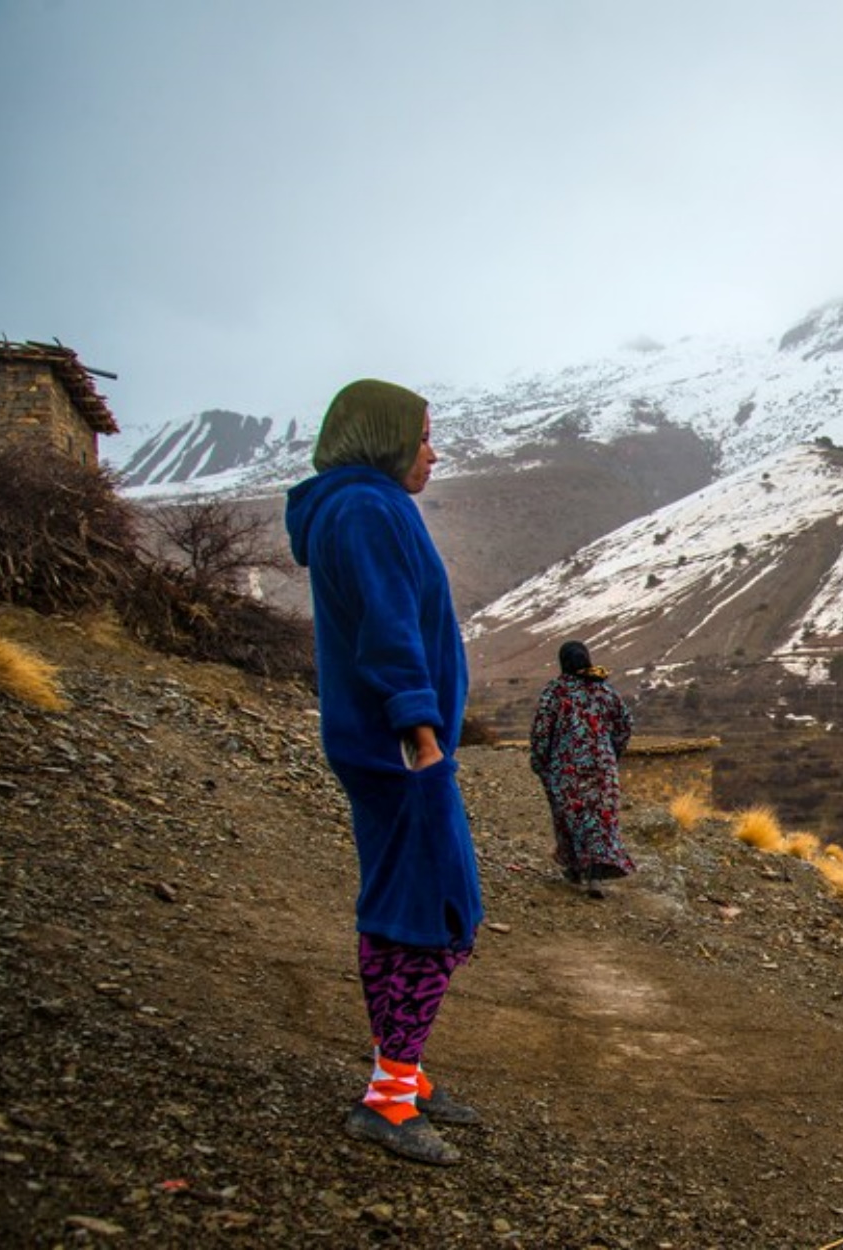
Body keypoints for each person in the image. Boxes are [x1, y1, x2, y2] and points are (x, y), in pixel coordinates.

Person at [285, 379, 483, 1167]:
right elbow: (388, 625)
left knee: (410, 893)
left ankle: (402, 1072)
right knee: (430, 908)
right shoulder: (368, 509)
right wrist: (421, 729)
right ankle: (389, 1098)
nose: (432, 452)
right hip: (402, 745)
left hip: (386, 739)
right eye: (424, 435)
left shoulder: (351, 503)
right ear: (382, 437)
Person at [529, 640, 635, 896]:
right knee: (601, 818)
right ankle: (596, 874)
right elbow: (625, 724)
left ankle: (576, 868)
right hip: (602, 767)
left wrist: (540, 760)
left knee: (569, 816)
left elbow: (542, 731)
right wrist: (611, 753)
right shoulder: (605, 691)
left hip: (566, 769)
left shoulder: (556, 691)